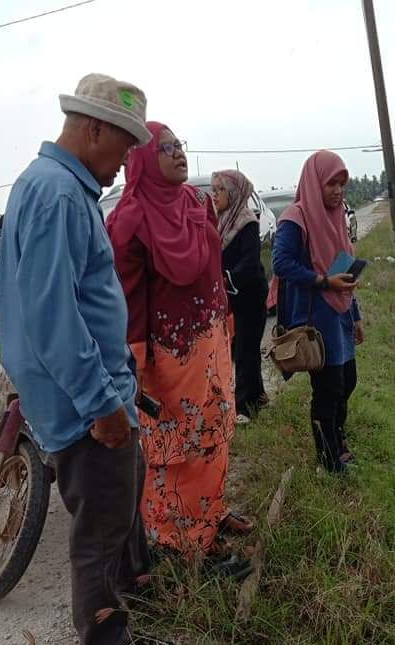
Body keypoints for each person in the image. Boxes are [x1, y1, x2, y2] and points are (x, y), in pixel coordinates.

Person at [0, 74, 168, 645]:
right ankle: (103, 642)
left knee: (120, 495)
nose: (124, 166)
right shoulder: (60, 195)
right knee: (98, 520)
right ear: (93, 128)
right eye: (122, 149)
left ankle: (137, 587)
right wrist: (101, 405)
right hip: (81, 400)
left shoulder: (50, 186)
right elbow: (53, 317)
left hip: (93, 384)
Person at [107, 122, 253, 574]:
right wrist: (133, 366)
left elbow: (211, 270)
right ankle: (182, 543)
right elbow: (128, 299)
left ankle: (209, 511)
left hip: (210, 339)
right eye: (164, 148)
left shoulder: (196, 203)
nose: (176, 154)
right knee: (177, 446)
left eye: (178, 145)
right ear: (143, 159)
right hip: (167, 355)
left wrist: (224, 320)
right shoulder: (129, 220)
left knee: (217, 430)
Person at [271, 150, 364, 474]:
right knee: (328, 388)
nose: (338, 191)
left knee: (348, 381)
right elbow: (280, 263)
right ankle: (328, 457)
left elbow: (345, 269)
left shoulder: (338, 216)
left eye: (342, 184)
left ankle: (338, 437)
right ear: (314, 182)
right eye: (331, 184)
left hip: (340, 312)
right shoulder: (295, 218)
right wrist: (322, 281)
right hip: (316, 316)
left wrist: (356, 315)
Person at [211, 170, 269, 424]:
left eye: (219, 190)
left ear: (233, 192)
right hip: (234, 293)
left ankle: (245, 406)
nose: (215, 195)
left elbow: (249, 262)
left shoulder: (246, 221)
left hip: (250, 293)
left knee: (246, 348)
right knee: (242, 347)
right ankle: (258, 395)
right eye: (212, 190)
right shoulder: (221, 220)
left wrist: (226, 278)